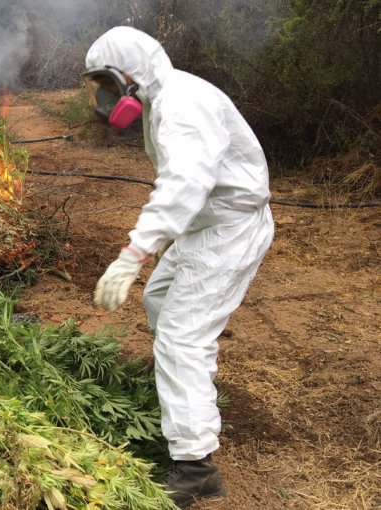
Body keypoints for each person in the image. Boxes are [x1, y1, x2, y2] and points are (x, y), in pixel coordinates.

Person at [83, 26, 275, 508]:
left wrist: (132, 256)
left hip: (228, 229)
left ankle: (196, 466)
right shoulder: (164, 98)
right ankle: (183, 388)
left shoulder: (182, 106)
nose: (105, 96)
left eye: (107, 83)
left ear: (131, 73)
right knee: (159, 301)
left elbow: (181, 189)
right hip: (203, 226)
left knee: (182, 335)